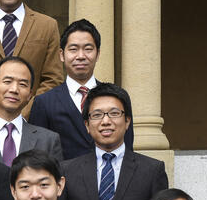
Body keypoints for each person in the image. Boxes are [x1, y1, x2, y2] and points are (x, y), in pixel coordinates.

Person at [30, 18, 135, 159]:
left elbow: (127, 149)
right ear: (62, 54)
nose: (80, 56)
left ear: (97, 54)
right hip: (65, 180)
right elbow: (39, 157)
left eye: (88, 49)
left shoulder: (118, 97)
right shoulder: (44, 102)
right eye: (73, 49)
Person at [0, 56, 63, 165]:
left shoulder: (48, 140)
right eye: (7, 81)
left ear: (30, 95)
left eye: (22, 84)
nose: (14, 89)